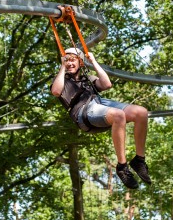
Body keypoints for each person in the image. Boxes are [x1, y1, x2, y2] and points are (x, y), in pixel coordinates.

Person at [50, 48, 151, 189]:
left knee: (141, 112)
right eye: (67, 61)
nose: (70, 63)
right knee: (118, 115)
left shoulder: (87, 79)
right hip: (83, 111)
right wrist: (62, 66)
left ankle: (139, 160)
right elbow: (55, 91)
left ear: (80, 63)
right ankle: (122, 167)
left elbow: (106, 84)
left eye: (73, 60)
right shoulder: (62, 80)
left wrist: (93, 62)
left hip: (99, 103)